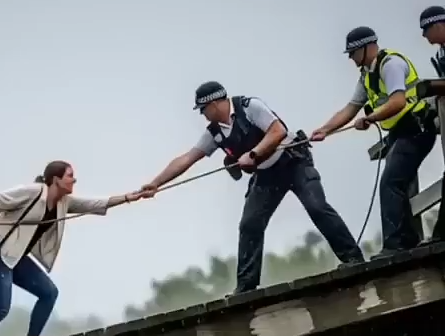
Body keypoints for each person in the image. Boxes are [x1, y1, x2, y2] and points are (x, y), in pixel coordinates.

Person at [140, 82, 363, 295]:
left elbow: (278, 131)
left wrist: (253, 154)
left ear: (215, 104)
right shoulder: (214, 133)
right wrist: (156, 183)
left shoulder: (250, 107)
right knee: (250, 225)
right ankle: (246, 287)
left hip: (293, 162)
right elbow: (187, 158)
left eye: (203, 109)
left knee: (317, 207)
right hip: (266, 176)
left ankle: (353, 259)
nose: (202, 115)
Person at [0, 161, 143, 336]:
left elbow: (93, 204)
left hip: (16, 256)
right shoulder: (32, 192)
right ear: (56, 180)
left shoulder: (63, 202)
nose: (74, 180)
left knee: (49, 292)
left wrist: (129, 197)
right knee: (0, 308)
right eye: (70, 176)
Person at [312, 27, 436, 255]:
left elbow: (398, 102)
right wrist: (324, 130)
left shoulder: (391, 65)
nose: (350, 58)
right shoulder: (367, 75)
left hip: (417, 129)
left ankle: (397, 243)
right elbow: (350, 108)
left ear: (367, 47)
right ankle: (406, 238)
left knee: (390, 182)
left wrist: (369, 118)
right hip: (401, 133)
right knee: (395, 181)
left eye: (352, 53)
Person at [418, 7, 445, 243]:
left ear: (438, 25)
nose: (424, 36)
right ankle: (439, 235)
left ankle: (440, 236)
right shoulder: (440, 54)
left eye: (426, 30)